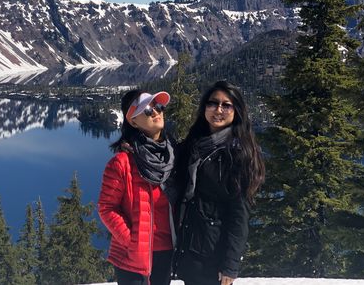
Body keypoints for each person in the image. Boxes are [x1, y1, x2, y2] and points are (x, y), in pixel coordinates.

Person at [172, 81, 265, 285]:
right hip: (190, 250)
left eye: (226, 105)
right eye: (213, 103)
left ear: (236, 111)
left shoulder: (240, 154)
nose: (218, 110)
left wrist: (230, 265)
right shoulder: (194, 143)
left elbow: (240, 214)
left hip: (213, 258)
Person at [98, 89, 179, 285]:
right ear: (133, 121)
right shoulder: (122, 163)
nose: (157, 112)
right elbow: (106, 208)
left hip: (166, 252)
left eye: (158, 107)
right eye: (148, 111)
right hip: (132, 258)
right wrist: (130, 240)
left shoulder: (174, 157)